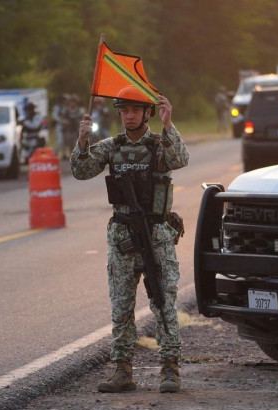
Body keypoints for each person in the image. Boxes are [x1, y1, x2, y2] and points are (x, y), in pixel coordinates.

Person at [71, 86, 189, 394]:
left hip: (157, 236)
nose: (129, 115)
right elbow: (81, 170)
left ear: (147, 112)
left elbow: (180, 159)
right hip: (122, 235)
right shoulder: (112, 146)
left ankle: (169, 369)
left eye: (135, 110)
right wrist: (82, 139)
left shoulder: (158, 144)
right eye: (124, 110)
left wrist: (168, 124)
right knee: (121, 306)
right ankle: (122, 370)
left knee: (163, 302)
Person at [52, 94, 69, 160]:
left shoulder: (66, 108)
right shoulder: (56, 107)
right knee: (60, 140)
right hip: (58, 126)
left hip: (65, 127)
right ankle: (55, 153)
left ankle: (64, 154)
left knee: (65, 141)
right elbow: (55, 117)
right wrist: (63, 121)